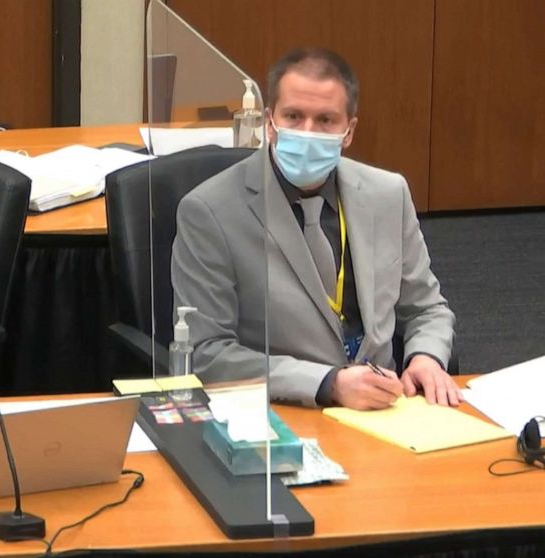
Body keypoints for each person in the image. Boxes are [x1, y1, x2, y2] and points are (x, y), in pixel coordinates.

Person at [171, 48, 459, 411]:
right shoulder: (210, 211)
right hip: (284, 411)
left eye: (325, 120)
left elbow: (426, 308)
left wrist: (426, 357)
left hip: (386, 412)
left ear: (349, 131)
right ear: (269, 122)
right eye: (293, 116)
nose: (307, 132)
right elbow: (207, 353)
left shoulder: (388, 194)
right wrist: (326, 383)